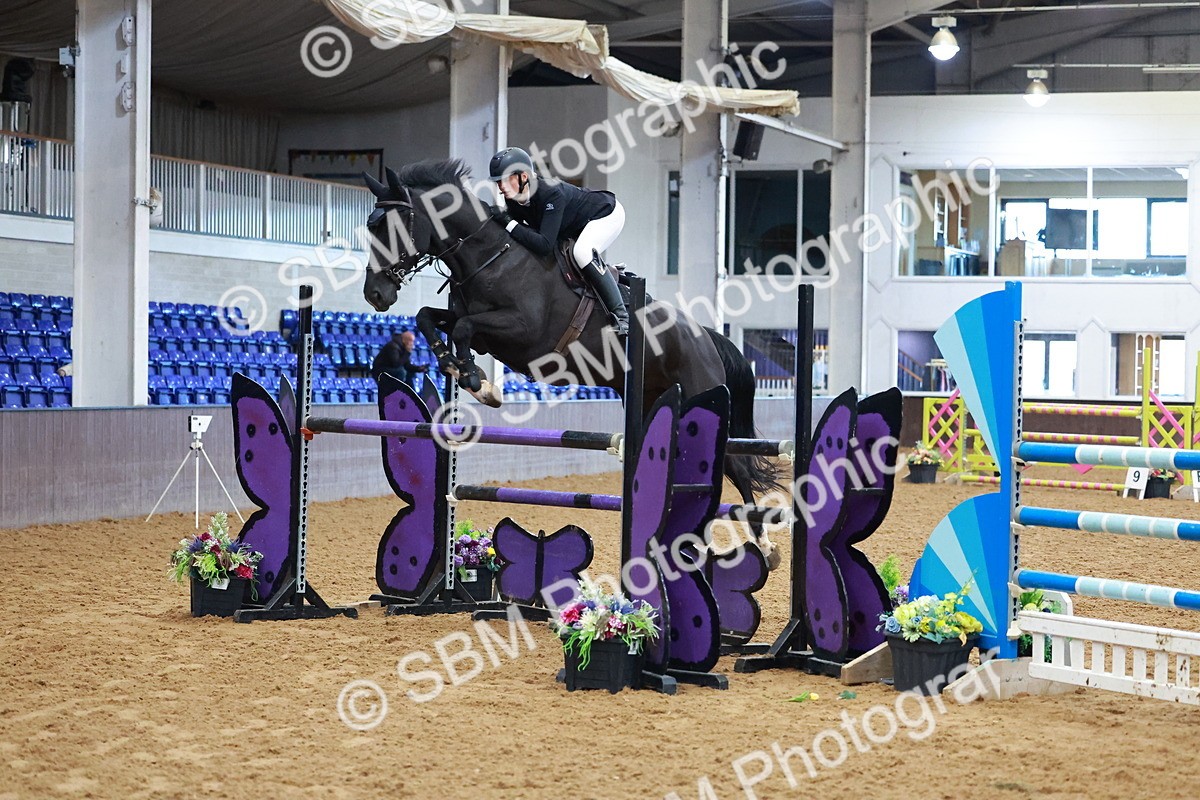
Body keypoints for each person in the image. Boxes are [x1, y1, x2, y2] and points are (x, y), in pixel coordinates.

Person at [487, 147, 629, 336]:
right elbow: (521, 237)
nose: (501, 187)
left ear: (523, 176)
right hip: (574, 225)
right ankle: (609, 273)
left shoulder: (550, 194)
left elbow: (543, 245)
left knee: (582, 252)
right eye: (498, 182)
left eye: (506, 179)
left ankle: (622, 316)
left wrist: (507, 222)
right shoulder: (514, 200)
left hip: (606, 214)